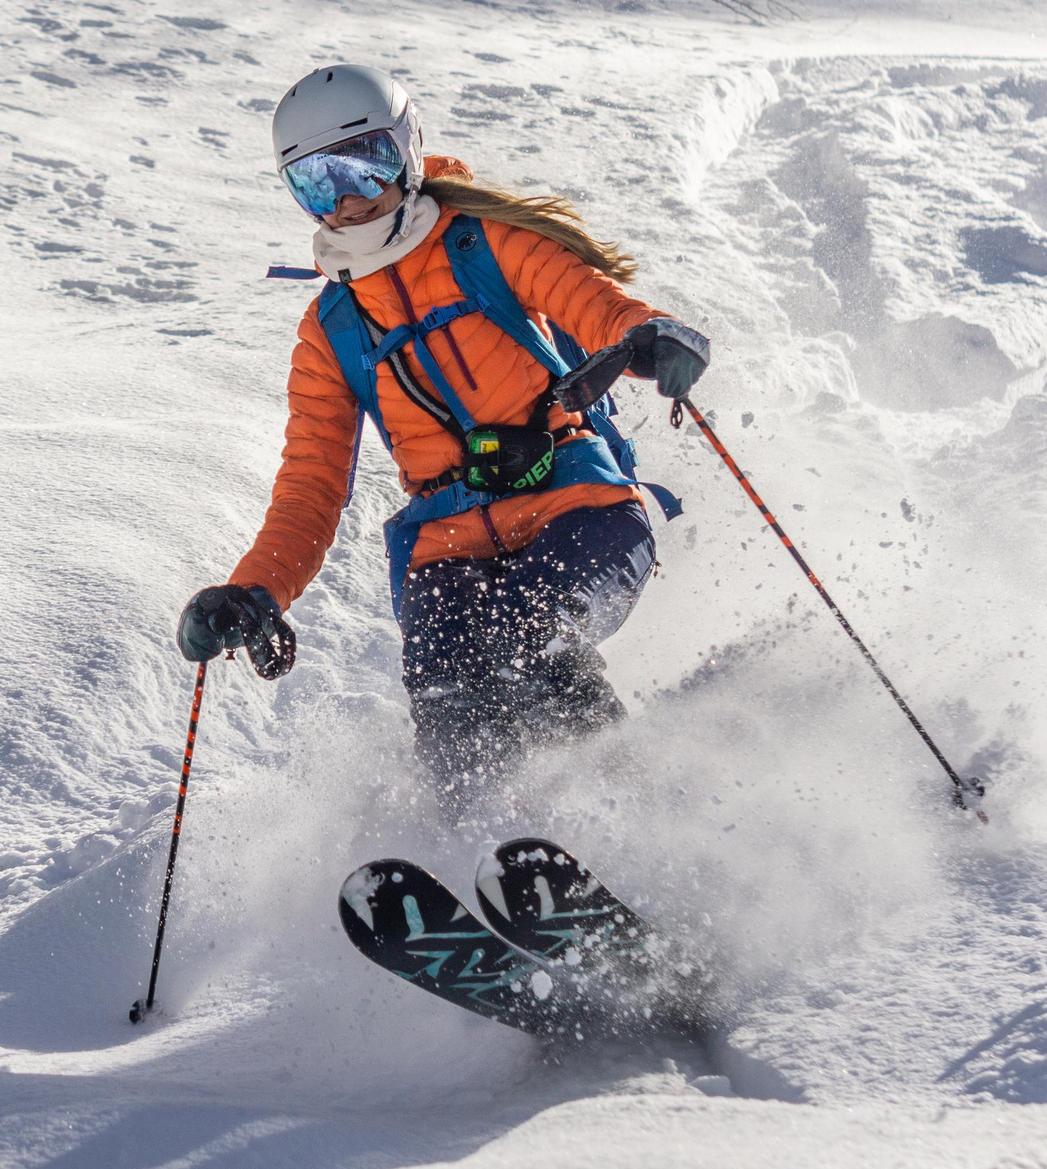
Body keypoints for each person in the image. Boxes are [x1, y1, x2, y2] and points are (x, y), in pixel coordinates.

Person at [176, 64, 712, 809]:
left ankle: (636, 820)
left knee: (531, 648)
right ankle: (485, 861)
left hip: (579, 510)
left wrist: (645, 339)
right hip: (446, 550)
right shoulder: (333, 330)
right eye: (317, 184)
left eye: (364, 166)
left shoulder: (487, 245)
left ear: (407, 149)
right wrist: (256, 590)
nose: (350, 201)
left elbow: (592, 304)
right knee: (452, 696)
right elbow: (310, 487)